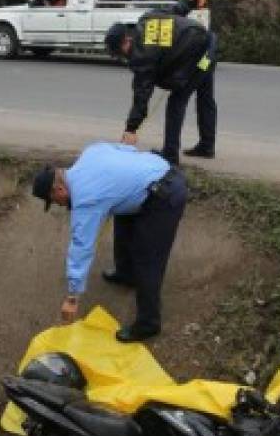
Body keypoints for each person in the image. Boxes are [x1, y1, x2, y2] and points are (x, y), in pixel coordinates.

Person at [32, 142, 188, 342]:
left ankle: (148, 323)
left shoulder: (85, 198)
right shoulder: (89, 153)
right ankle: (126, 273)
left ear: (59, 189)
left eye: (55, 201)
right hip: (155, 175)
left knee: (147, 258)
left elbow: (82, 247)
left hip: (165, 195)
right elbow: (128, 150)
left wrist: (72, 297)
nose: (61, 205)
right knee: (121, 217)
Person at [104, 0, 218, 166]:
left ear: (126, 40)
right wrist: (192, 0)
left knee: (176, 101)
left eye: (120, 53)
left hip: (199, 58)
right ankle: (207, 146)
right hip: (209, 45)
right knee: (205, 98)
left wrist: (131, 128)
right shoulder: (147, 18)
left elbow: (142, 95)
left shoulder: (141, 55)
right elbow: (176, 9)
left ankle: (170, 155)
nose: (122, 57)